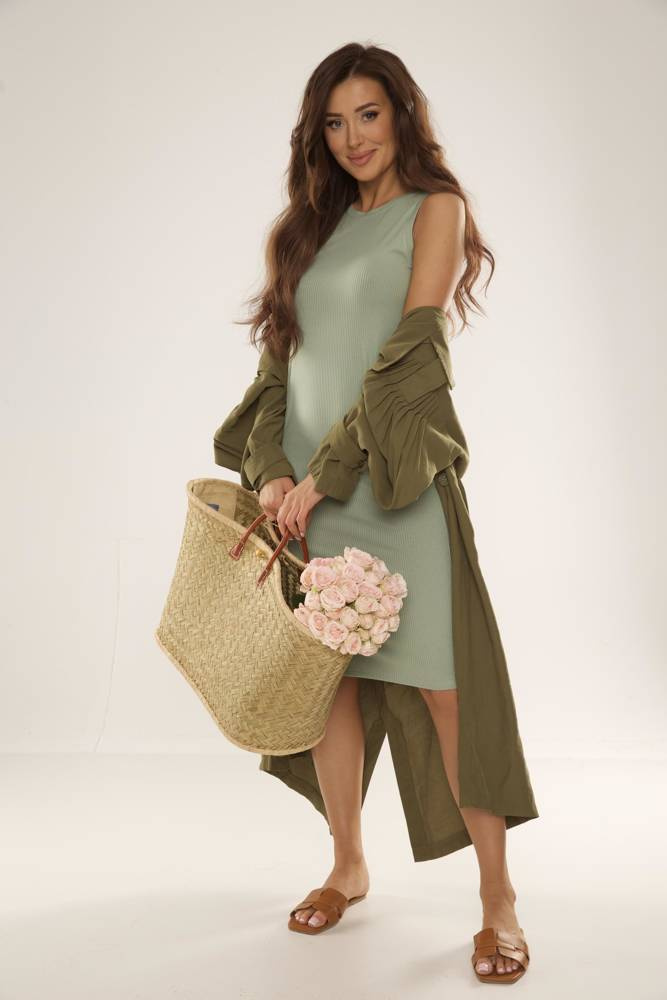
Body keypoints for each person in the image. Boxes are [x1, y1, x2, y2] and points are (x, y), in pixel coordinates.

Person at [213, 42, 537, 984]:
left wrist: (330, 471)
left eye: (368, 114)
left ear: (400, 115)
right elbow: (277, 371)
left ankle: (497, 899)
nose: (353, 137)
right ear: (316, 135)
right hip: (306, 505)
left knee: (447, 691)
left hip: (392, 485)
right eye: (333, 121)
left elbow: (409, 354)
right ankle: (348, 864)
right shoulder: (301, 233)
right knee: (330, 689)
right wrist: (274, 474)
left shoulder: (435, 210)